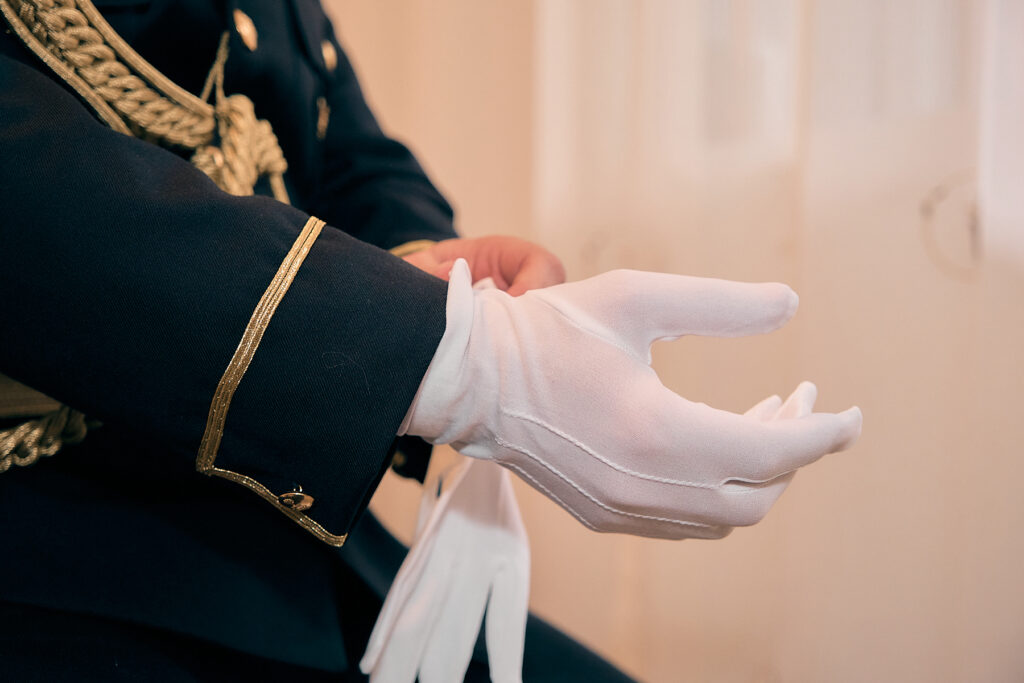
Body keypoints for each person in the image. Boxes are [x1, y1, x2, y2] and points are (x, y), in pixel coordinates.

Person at [0, 1, 861, 680]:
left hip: (280, 530)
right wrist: (458, 364)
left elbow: (336, 140)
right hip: (58, 552)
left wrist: (438, 278)